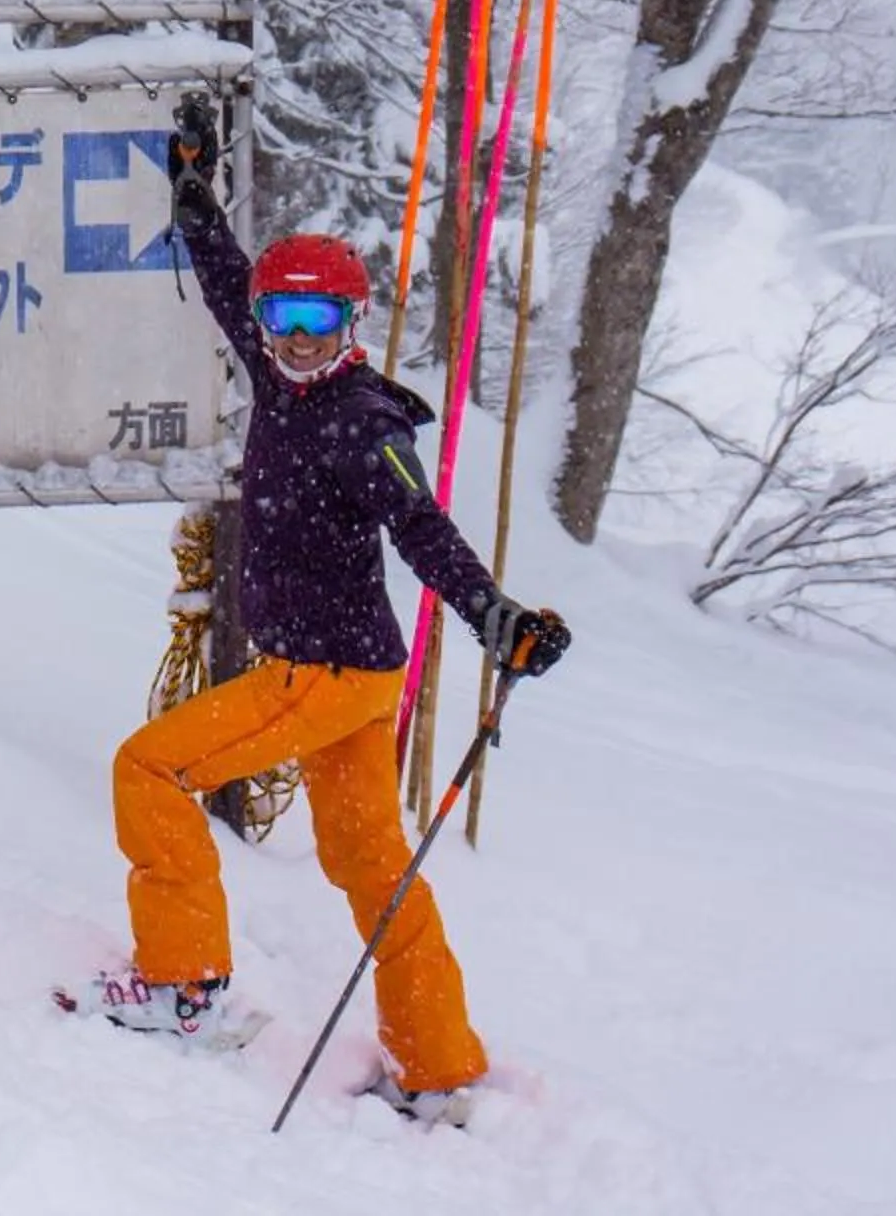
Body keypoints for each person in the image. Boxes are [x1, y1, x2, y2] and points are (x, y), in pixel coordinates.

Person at [84, 99, 571, 1124]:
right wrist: (191, 192)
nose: (298, 341)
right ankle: (436, 1062)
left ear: (351, 326)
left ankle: (181, 983)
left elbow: (422, 527)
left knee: (151, 766)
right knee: (370, 866)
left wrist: (494, 616)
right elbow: (224, 284)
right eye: (283, 320)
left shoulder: (361, 423)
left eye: (319, 323)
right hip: (354, 680)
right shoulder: (278, 375)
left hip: (322, 671)